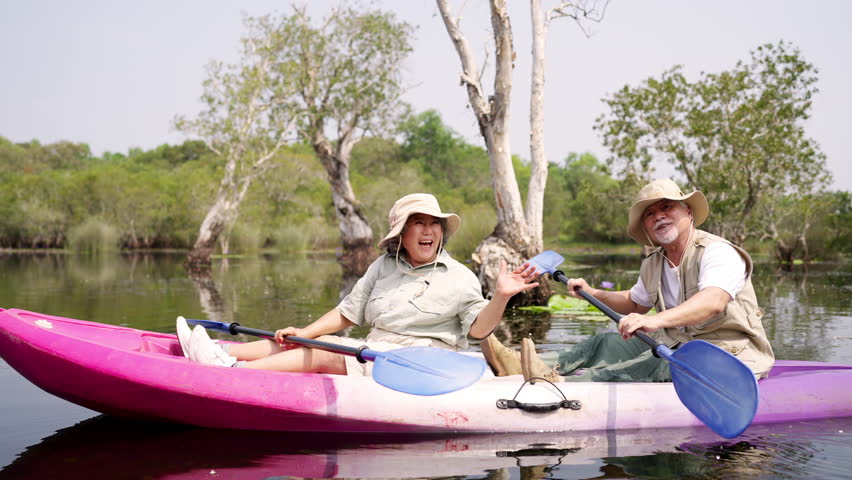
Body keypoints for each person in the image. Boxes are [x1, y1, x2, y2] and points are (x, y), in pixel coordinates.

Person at [176, 193, 541, 375]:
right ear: (403, 233)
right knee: (308, 341)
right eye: (420, 223)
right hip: (376, 352)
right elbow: (346, 312)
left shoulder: (460, 277)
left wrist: (502, 296)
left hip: (422, 366)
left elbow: (478, 331)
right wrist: (303, 330)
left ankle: (232, 374)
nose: (429, 230)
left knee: (327, 350)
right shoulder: (383, 266)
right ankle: (221, 355)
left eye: (435, 224)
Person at [483, 178, 775, 383]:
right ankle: (525, 364)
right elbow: (634, 303)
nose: (659, 216)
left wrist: (656, 321)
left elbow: (713, 302)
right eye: (650, 213)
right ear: (646, 226)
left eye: (666, 207)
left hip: (726, 355)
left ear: (688, 212)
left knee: (637, 367)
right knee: (602, 344)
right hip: (677, 344)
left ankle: (556, 387)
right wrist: (592, 291)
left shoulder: (717, 252)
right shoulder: (654, 262)